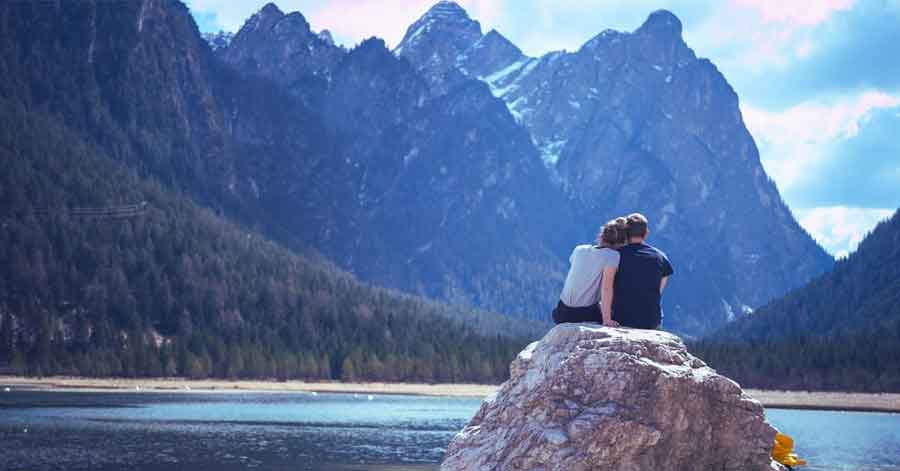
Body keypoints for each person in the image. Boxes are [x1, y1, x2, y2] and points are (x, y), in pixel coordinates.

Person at [552, 218, 627, 325]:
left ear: (601, 236)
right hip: (582, 313)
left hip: (561, 311)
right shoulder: (612, 256)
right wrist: (607, 320)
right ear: (621, 243)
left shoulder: (579, 249)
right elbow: (606, 288)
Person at [611, 213, 674, 329]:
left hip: (620, 318)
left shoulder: (616, 256)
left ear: (626, 233)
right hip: (650, 321)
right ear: (646, 234)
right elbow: (658, 291)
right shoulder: (660, 257)